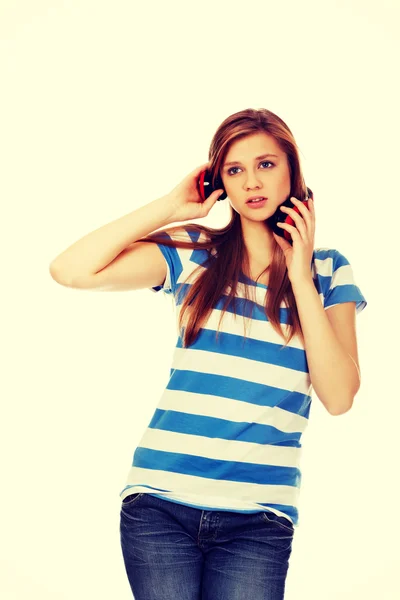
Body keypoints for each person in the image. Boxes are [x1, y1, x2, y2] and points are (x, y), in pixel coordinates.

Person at [49, 108, 367, 599]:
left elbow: (340, 396)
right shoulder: (197, 254)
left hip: (259, 519)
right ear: (220, 181)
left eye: (266, 164)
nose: (251, 182)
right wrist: (170, 208)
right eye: (235, 170)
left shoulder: (328, 272)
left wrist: (300, 276)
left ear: (291, 171)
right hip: (160, 504)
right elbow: (70, 271)